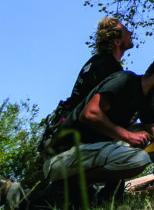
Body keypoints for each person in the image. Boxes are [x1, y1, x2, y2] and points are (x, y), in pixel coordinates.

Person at [38, 57, 154, 206]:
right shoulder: (125, 80)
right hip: (62, 157)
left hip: (90, 153)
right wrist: (128, 136)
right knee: (140, 159)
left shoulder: (145, 100)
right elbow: (89, 114)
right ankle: (70, 186)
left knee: (146, 133)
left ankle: (105, 195)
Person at [37, 17, 134, 157]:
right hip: (81, 143)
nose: (131, 33)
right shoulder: (111, 68)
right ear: (117, 42)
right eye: (126, 31)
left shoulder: (95, 62)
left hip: (66, 135)